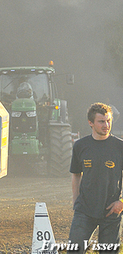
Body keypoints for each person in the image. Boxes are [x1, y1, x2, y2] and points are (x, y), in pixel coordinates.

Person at [68, 103, 123, 254]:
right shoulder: (80, 146)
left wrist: (121, 202)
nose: (106, 125)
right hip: (84, 210)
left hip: (111, 211)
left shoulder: (120, 147)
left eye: (108, 120)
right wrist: (76, 201)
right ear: (90, 123)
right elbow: (76, 174)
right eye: (101, 121)